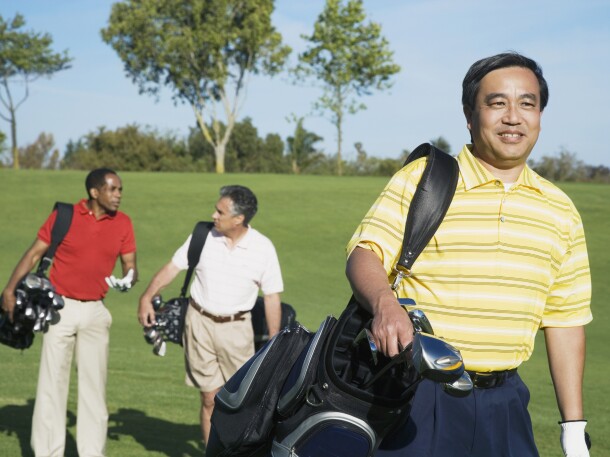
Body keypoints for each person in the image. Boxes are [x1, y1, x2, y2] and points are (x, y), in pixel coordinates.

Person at [345, 52, 592, 457]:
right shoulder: (426, 179)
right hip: (419, 396)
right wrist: (384, 304)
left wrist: (573, 431)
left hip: (508, 403)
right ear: (469, 114)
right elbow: (365, 253)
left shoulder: (561, 209)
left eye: (527, 103)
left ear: (540, 115)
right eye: (497, 103)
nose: (513, 116)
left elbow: (565, 321)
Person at [1, 167, 138, 457]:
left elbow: (129, 264)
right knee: (52, 385)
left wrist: (129, 277)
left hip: (96, 313)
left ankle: (92, 453)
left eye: (120, 190)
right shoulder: (65, 215)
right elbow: (35, 253)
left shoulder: (123, 222)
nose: (118, 195)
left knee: (94, 390)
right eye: (113, 189)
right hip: (60, 311)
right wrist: (9, 289)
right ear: (94, 192)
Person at [138, 185, 284, 446]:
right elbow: (172, 268)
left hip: (237, 329)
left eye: (220, 211)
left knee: (240, 401)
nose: (213, 215)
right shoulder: (202, 235)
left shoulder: (263, 248)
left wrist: (274, 341)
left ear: (238, 219)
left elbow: (272, 296)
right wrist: (146, 297)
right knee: (208, 398)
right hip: (199, 324)